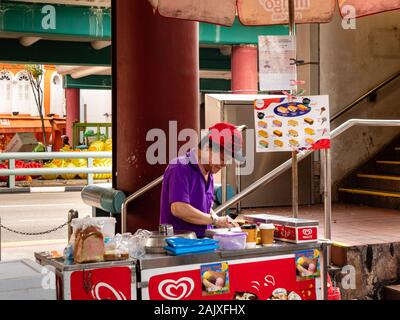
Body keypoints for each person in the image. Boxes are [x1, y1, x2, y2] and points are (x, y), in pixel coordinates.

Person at [160, 122, 245, 238]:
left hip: (202, 243)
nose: (224, 164)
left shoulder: (208, 172)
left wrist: (220, 221)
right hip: (180, 246)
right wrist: (215, 220)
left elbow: (203, 208)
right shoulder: (180, 167)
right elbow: (179, 208)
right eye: (221, 158)